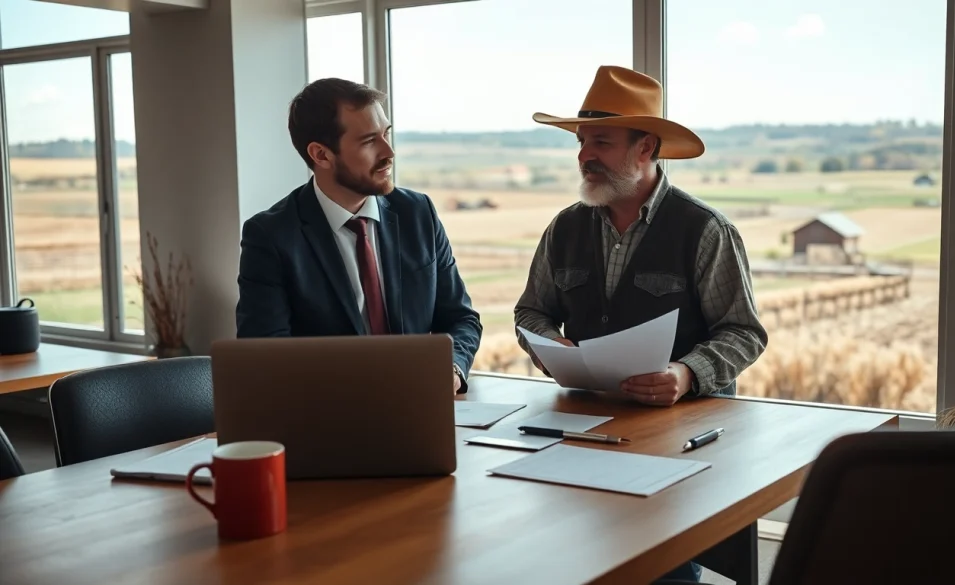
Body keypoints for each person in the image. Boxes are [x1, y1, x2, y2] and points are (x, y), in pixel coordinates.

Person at [514, 66, 768, 582]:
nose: (584, 154)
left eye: (601, 142)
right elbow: (530, 311)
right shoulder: (563, 227)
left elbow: (744, 331)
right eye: (582, 142)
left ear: (646, 147)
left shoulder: (705, 230)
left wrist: (685, 373)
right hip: (582, 436)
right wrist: (547, 344)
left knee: (665, 571)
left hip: (677, 443)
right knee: (576, 553)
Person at [235, 78, 481, 394]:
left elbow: (461, 318)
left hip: (422, 408)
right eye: (368, 141)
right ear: (321, 155)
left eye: (386, 134)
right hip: (328, 417)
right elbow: (264, 357)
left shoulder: (417, 213)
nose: (389, 152)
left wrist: (452, 370)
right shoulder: (270, 236)